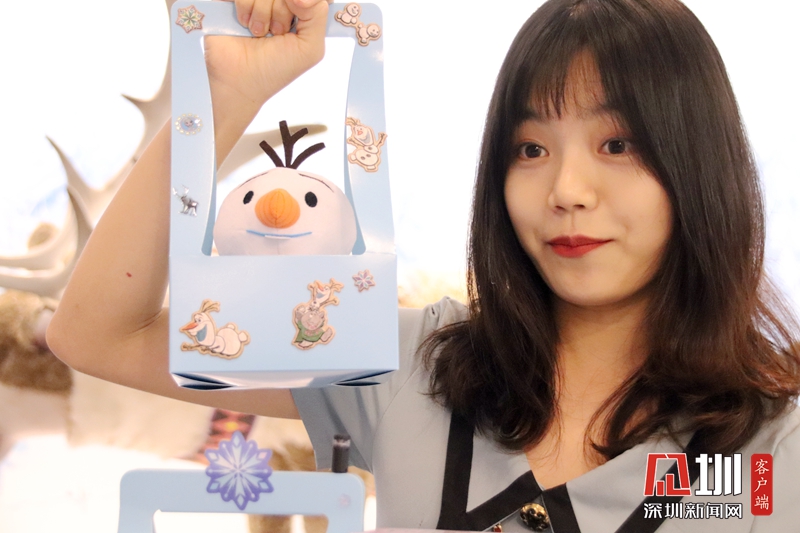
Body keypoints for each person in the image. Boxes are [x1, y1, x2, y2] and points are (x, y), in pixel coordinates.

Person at [47, 0, 800, 531]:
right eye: (531, 148)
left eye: (617, 144)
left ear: (700, 166)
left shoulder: (768, 456)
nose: (567, 190)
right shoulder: (410, 360)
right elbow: (99, 334)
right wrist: (227, 94)